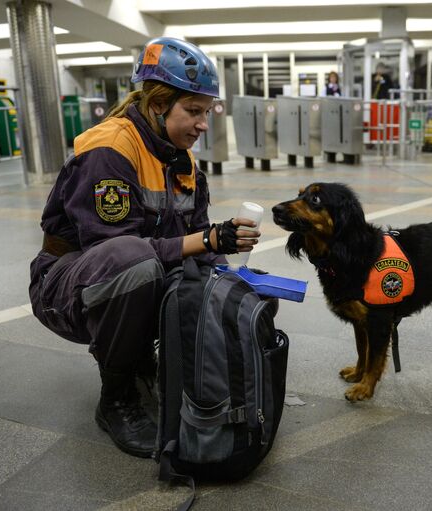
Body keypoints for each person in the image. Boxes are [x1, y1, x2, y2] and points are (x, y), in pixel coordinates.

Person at [28, 37, 260, 458]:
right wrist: (207, 238)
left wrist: (232, 277)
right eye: (193, 111)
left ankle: (146, 365)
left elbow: (199, 240)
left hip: (123, 272)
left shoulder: (183, 161)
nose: (203, 124)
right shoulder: (110, 149)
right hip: (66, 285)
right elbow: (117, 251)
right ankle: (116, 399)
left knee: (217, 280)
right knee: (135, 264)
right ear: (158, 104)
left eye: (206, 112)